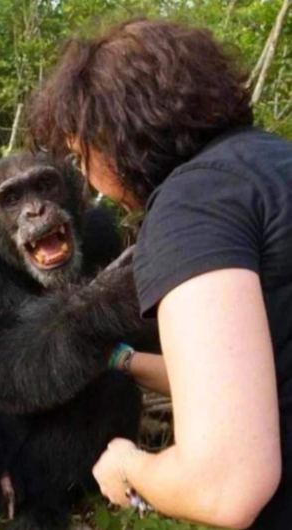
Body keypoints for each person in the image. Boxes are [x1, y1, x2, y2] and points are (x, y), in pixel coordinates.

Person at [27, 18, 292, 530]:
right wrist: (118, 359)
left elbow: (225, 483)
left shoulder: (192, 207)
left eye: (83, 157)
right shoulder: (271, 165)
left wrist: (130, 464)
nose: (90, 182)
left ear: (114, 138)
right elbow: (245, 369)